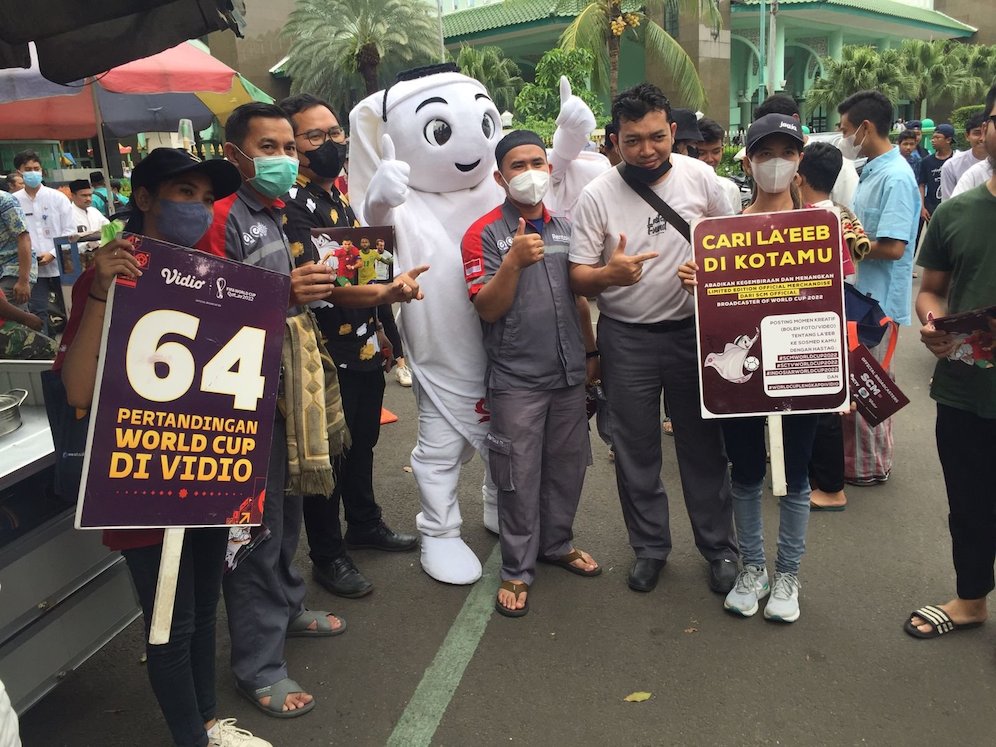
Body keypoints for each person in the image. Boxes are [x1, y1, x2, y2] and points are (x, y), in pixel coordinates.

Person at [58, 147, 271, 746]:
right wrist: (101, 292)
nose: (198, 208)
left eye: (206, 198)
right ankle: (192, 738)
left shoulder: (214, 272)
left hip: (206, 473)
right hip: (141, 479)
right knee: (168, 626)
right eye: (183, 193)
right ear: (144, 198)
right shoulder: (105, 277)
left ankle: (206, 724)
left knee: (204, 611)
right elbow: (78, 387)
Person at [195, 103, 350, 719]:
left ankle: (286, 606)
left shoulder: (277, 213)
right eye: (270, 147)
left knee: (285, 513)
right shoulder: (223, 216)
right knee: (253, 531)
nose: (286, 159)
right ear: (234, 153)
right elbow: (204, 306)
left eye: (291, 147)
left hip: (285, 387)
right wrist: (283, 295)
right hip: (239, 396)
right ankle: (258, 666)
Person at [568, 82, 738, 596]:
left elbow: (736, 254)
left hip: (695, 333)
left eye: (657, 137)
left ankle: (719, 549)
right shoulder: (597, 195)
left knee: (705, 448)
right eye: (633, 139)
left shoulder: (704, 180)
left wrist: (709, 273)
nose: (647, 150)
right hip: (627, 340)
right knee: (636, 450)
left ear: (673, 131)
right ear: (614, 139)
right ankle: (650, 548)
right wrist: (608, 276)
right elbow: (577, 275)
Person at [678, 113, 819, 622]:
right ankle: (752, 568)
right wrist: (698, 281)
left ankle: (788, 575)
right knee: (746, 470)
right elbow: (718, 313)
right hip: (740, 376)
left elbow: (834, 294)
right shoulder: (722, 233)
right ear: (748, 160)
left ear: (800, 161)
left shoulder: (826, 225)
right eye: (764, 153)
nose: (775, 163)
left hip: (802, 366)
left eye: (786, 152)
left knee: (797, 474)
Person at [277, 93, 418, 601]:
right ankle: (328, 553)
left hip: (361, 346)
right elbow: (322, 285)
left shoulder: (336, 195)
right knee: (329, 457)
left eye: (335, 133)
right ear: (293, 146)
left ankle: (364, 523)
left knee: (363, 444)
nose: (332, 143)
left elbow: (364, 265)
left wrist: (385, 328)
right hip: (320, 354)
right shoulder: (291, 204)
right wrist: (383, 291)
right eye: (316, 136)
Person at [464, 130, 600, 617]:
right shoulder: (484, 234)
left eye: (537, 162)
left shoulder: (565, 227)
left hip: (567, 373)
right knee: (518, 476)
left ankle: (556, 543)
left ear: (549, 168)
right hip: (517, 379)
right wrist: (514, 264)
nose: (530, 173)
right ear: (501, 177)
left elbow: (579, 298)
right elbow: (487, 308)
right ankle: (517, 568)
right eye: (517, 165)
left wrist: (591, 354)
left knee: (566, 466)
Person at [906, 83, 996, 640]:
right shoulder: (958, 213)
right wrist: (934, 323)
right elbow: (932, 289)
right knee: (968, 502)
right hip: (966, 389)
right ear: (985, 130)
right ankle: (970, 599)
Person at [837, 90, 920, 486]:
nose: (843, 137)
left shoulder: (897, 177)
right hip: (861, 298)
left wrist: (847, 240)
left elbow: (893, 246)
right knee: (857, 384)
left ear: (865, 128)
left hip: (879, 305)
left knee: (870, 387)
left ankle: (870, 468)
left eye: (845, 129)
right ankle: (856, 462)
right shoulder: (874, 172)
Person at [796, 141, 872, 512]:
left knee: (824, 406)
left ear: (799, 177)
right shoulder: (841, 214)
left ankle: (829, 487)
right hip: (834, 320)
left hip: (818, 324)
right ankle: (818, 478)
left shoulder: (813, 221)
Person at [12, 150, 73, 335]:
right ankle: (47, 351)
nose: (33, 172)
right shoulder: (14, 201)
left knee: (72, 307)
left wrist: (52, 253)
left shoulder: (57, 198)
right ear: (19, 172)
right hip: (32, 267)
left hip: (62, 262)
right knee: (38, 311)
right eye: (28, 169)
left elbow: (70, 231)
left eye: (36, 168)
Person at [696, 117, 742, 214]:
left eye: (716, 152)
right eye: (701, 153)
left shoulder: (731, 189)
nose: (709, 159)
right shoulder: (680, 190)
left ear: (722, 150)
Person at [940, 114, 986, 201]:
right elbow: (947, 203)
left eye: (987, 133)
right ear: (967, 136)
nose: (982, 138)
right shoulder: (951, 166)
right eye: (977, 133)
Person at [0, 190, 33, 311]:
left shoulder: (5, 200)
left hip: (13, 268)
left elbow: (23, 238)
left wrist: (23, 281)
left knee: (10, 313)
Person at [917, 123, 955, 223]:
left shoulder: (956, 160)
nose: (933, 140)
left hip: (953, 207)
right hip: (932, 209)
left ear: (948, 140)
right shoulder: (926, 161)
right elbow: (921, 185)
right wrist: (922, 207)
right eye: (933, 137)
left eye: (937, 137)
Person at [67, 179, 110, 253]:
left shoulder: (94, 211)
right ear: (73, 196)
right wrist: (87, 246)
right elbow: (67, 244)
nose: (88, 199)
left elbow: (109, 229)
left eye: (90, 195)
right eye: (84, 196)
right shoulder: (67, 214)